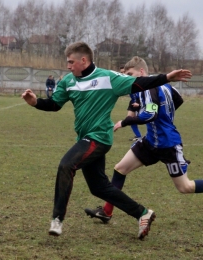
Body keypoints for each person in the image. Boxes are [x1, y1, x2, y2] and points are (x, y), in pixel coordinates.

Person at [21, 42, 191, 239]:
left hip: (99, 137)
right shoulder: (68, 81)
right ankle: (142, 213)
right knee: (99, 187)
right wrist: (35, 103)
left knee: (66, 165)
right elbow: (54, 104)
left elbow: (139, 83)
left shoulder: (108, 78)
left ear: (83, 60)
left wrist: (167, 78)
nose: (68, 66)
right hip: (84, 137)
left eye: (71, 62)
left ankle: (57, 219)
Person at [85, 56, 202, 228]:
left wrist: (124, 122)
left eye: (130, 74)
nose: (128, 78)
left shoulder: (151, 88)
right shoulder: (153, 87)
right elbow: (177, 99)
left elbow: (150, 114)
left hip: (168, 144)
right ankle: (107, 211)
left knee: (185, 187)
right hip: (150, 142)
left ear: (141, 72)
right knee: (120, 169)